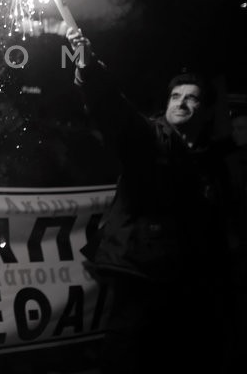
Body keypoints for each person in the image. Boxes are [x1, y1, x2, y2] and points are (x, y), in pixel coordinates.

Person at [66, 29, 239, 373]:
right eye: (176, 96)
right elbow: (113, 108)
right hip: (140, 274)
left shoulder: (214, 164)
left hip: (189, 282)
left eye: (192, 98)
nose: (181, 103)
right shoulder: (149, 138)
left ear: (205, 112)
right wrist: (89, 67)